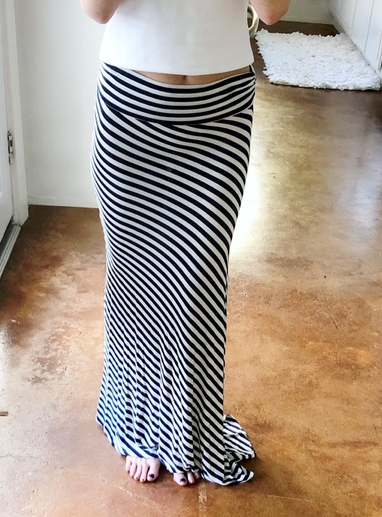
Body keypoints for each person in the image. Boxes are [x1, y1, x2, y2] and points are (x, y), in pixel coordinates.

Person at [81, 0, 291, 487]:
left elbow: (273, 11)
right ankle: (139, 423)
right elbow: (96, 10)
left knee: (197, 287)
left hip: (220, 116)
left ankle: (185, 430)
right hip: (131, 113)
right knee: (136, 285)